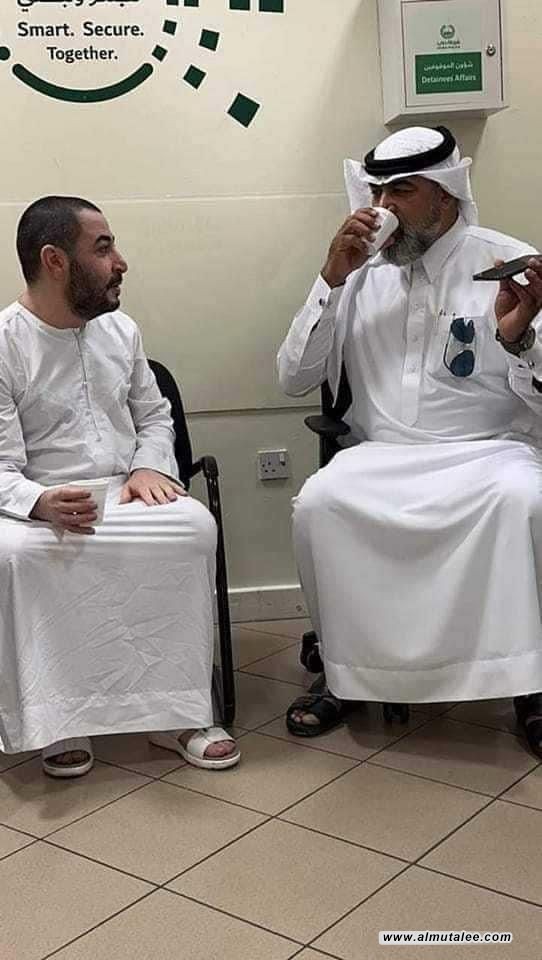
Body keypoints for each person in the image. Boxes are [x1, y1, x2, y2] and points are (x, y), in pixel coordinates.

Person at [277, 125, 542, 758]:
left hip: (490, 452)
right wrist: (331, 280)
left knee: (525, 501)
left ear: (445, 195)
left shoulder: (510, 263)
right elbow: (293, 377)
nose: (383, 208)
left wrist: (518, 338)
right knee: (319, 503)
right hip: (381, 453)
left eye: (401, 192)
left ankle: (529, 684)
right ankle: (342, 672)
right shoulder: (359, 273)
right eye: (377, 193)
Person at [0, 196, 240, 777]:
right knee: (17, 554)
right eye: (103, 248)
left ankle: (177, 714)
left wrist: (150, 466)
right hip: (40, 505)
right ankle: (60, 721)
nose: (121, 262)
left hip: (127, 492)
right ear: (55, 261)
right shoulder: (5, 343)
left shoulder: (121, 331)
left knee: (191, 529)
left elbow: (155, 416)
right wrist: (38, 502)